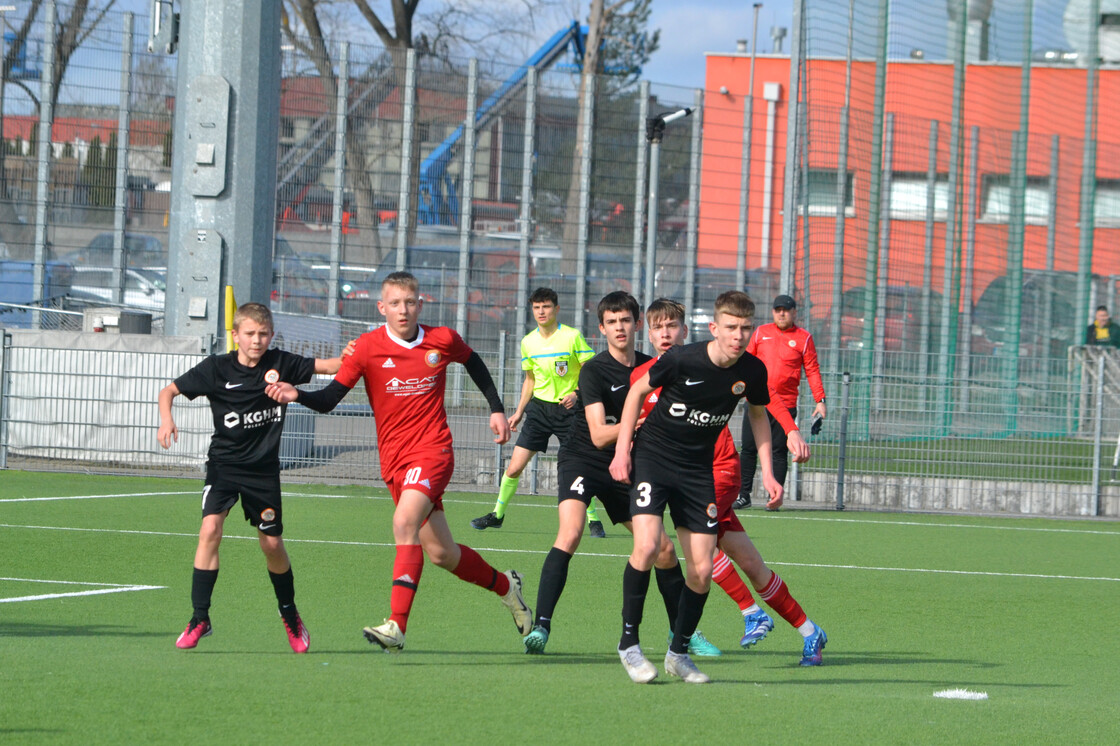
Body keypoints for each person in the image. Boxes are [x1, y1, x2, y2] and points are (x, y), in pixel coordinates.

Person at [265, 271, 532, 652]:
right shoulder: (366, 348)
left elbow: (473, 362)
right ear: (382, 308)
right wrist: (297, 394)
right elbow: (329, 399)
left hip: (434, 451)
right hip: (395, 463)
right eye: (394, 304)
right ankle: (508, 588)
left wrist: (496, 408)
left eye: (409, 302)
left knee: (403, 522)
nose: (403, 310)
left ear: (420, 304)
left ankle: (396, 626)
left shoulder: (441, 339)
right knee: (442, 553)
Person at [523, 292, 719, 659]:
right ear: (602, 328)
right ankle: (542, 626)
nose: (619, 328)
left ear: (637, 323)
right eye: (612, 322)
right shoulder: (594, 370)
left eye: (625, 320)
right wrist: (644, 422)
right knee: (571, 532)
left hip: (625, 465)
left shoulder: (653, 367)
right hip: (584, 458)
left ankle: (685, 634)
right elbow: (598, 434)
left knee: (662, 548)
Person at [637, 299, 826, 666]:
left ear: (689, 330)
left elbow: (762, 404)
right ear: (648, 332)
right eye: (658, 327)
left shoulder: (709, 362)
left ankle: (747, 612)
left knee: (699, 553)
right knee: (753, 566)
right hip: (684, 475)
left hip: (715, 472)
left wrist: (781, 447)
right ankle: (809, 631)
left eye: (673, 325)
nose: (665, 333)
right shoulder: (649, 374)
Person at [609, 290, 781, 684]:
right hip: (654, 457)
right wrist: (623, 452)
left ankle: (677, 654)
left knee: (702, 569)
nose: (739, 336)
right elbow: (637, 393)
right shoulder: (682, 359)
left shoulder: (752, 371)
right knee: (649, 546)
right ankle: (629, 645)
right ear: (714, 328)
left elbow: (758, 417)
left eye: (746, 328)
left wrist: (769, 473)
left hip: (697, 470)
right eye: (731, 328)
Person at [157, 301, 346, 653]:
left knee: (271, 544)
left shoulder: (281, 363)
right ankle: (200, 617)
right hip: (223, 467)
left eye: (263, 334)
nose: (256, 340)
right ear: (235, 335)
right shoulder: (216, 368)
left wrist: (357, 353)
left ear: (271, 335)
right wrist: (166, 418)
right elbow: (167, 391)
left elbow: (331, 365)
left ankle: (289, 613)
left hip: (262, 472)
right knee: (210, 529)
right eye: (249, 334)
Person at [471, 287, 605, 537]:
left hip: (569, 411)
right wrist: (519, 411)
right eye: (536, 307)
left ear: (556, 309)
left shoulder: (572, 336)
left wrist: (577, 393)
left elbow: (591, 371)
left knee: (579, 467)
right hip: (539, 412)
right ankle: (497, 515)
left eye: (546, 306)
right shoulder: (528, 342)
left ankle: (593, 518)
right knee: (513, 468)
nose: (541, 311)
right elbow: (529, 380)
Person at [734, 294, 826, 510]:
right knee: (748, 449)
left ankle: (774, 495)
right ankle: (743, 495)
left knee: (778, 451)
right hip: (757, 402)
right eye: (778, 309)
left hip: (785, 404)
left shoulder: (804, 338)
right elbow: (746, 362)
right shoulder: (761, 333)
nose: (781, 313)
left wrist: (820, 400)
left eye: (786, 309)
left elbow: (812, 370)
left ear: (795, 312)